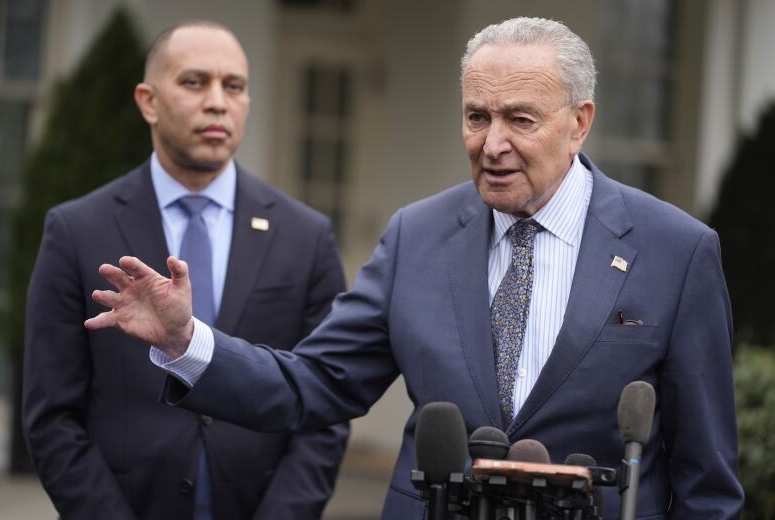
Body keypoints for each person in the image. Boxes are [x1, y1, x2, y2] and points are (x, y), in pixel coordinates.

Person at [86, 17, 744, 518]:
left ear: (580, 123)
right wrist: (185, 341)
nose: (492, 145)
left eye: (520, 119)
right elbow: (313, 384)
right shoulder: (417, 235)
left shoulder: (675, 251)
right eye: (476, 116)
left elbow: (705, 478)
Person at [23, 20, 348, 520]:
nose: (218, 102)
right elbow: (52, 416)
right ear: (148, 100)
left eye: (234, 86)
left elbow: (324, 412)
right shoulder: (76, 230)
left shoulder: (306, 236)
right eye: (195, 82)